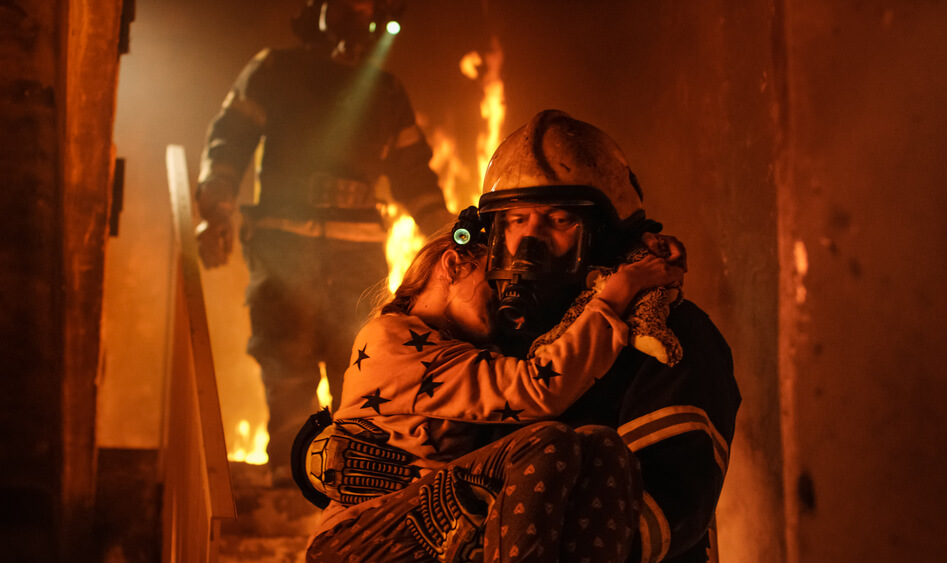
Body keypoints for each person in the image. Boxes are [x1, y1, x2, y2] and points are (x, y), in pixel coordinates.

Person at [301, 109, 740, 562]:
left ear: (605, 234)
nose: (530, 246)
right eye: (514, 222)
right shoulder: (491, 335)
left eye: (559, 221)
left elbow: (665, 513)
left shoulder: (671, 335)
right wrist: (323, 460)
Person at [298, 227, 683, 562]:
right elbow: (539, 389)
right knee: (547, 443)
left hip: (434, 526)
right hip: (359, 542)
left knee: (602, 446)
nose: (504, 299)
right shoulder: (391, 338)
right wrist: (617, 293)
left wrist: (638, 249)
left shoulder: (462, 351)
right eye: (494, 282)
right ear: (453, 265)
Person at [194, 0, 452, 483]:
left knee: (357, 368)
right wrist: (216, 207)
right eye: (341, 4)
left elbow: (415, 176)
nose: (352, 14)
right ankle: (293, 484)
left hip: (356, 258)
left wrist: (452, 235)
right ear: (314, 9)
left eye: (363, 5)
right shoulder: (275, 69)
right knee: (286, 364)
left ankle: (349, 484)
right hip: (283, 249)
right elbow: (228, 140)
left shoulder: (385, 91)